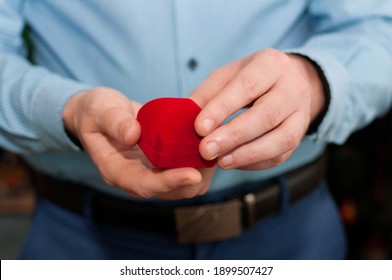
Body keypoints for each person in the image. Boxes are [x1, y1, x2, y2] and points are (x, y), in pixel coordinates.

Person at [1, 0, 392, 260]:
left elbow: (379, 29)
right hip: (79, 237)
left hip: (292, 232)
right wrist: (66, 110)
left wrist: (313, 79)